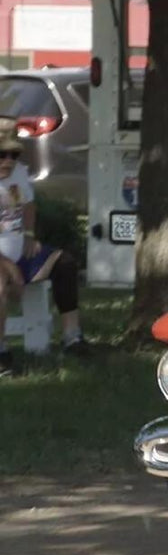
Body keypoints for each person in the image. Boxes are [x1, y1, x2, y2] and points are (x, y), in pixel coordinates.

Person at [0, 117, 86, 375]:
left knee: (65, 263)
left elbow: (28, 204)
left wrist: (28, 233)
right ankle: (1, 350)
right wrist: (5, 264)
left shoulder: (18, 173)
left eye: (13, 154)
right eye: (1, 154)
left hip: (19, 251)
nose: (8, 160)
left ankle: (72, 337)